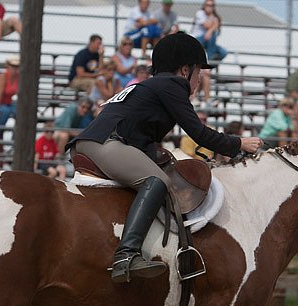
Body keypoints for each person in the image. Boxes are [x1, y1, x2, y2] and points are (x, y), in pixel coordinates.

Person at [68, 32, 262, 283]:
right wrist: (239, 143)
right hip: (106, 144)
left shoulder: (148, 86)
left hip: (94, 142)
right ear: (185, 70)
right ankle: (126, 255)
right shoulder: (172, 85)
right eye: (198, 72)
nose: (199, 78)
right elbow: (200, 133)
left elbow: (139, 133)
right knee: (156, 181)